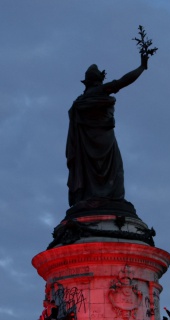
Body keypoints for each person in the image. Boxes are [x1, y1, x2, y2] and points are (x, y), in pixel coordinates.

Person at [66, 53, 149, 207]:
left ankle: (89, 195)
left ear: (86, 81)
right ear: (99, 80)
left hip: (85, 144)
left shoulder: (79, 101)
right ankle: (111, 198)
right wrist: (142, 67)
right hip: (105, 139)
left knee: (88, 169)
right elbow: (124, 81)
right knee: (114, 170)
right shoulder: (101, 91)